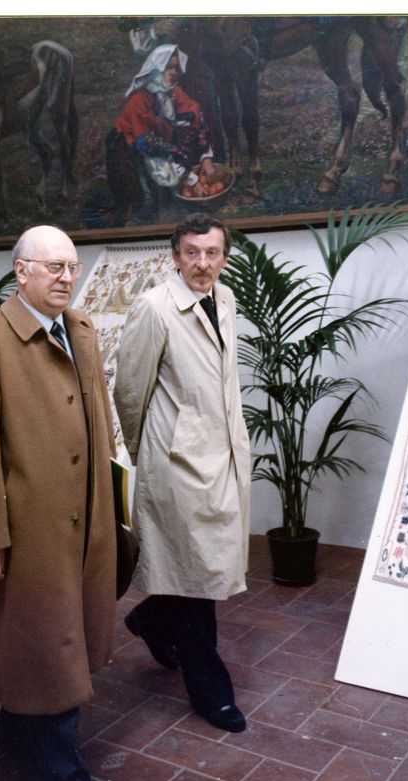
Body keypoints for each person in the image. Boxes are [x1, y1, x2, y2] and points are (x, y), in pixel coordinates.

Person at [0, 225, 118, 781]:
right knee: (53, 662)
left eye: (72, 266)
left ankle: (14, 724)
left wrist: (111, 514)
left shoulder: (82, 333)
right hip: (32, 535)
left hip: (83, 527)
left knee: (49, 647)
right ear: (20, 272)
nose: (66, 277)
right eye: (52, 267)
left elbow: (98, 429)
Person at [113, 213, 251, 733]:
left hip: (224, 456)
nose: (202, 263)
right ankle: (211, 693)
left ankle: (150, 619)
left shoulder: (226, 297)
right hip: (177, 463)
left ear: (224, 256)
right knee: (198, 579)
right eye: (192, 253)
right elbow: (130, 391)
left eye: (212, 253)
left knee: (202, 567)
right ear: (175, 256)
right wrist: (150, 450)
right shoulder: (153, 309)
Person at [105, 44, 219, 224]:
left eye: (175, 67)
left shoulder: (174, 92)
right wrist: (189, 177)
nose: (173, 72)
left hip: (158, 148)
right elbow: (148, 145)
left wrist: (206, 158)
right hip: (127, 153)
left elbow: (195, 115)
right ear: (155, 70)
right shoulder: (140, 99)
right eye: (168, 67)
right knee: (144, 206)